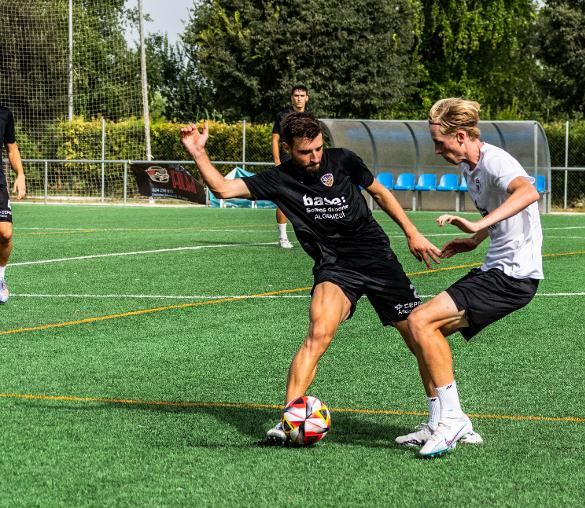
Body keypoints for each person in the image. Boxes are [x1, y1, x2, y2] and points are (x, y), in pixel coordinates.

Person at [181, 111, 443, 444]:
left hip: (377, 259)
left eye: (319, 148)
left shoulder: (344, 161)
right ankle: (289, 419)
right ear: (288, 148)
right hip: (335, 267)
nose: (315, 157)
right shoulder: (278, 179)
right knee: (318, 332)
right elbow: (222, 189)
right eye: (306, 152)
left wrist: (412, 232)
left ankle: (442, 421)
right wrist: (198, 153)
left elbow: (380, 193)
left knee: (418, 338)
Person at [400, 98, 543, 457]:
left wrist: (480, 224)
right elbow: (498, 212)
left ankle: (453, 420)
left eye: (439, 142)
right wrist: (473, 240)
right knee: (422, 334)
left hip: (513, 275)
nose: (436, 150)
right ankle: (439, 421)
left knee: (419, 322)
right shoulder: (471, 168)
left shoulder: (495, 161)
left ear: (461, 136)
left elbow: (528, 191)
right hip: (499, 270)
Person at [271, 85, 310, 248]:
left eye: (302, 95)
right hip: (287, 162)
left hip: (306, 162)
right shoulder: (283, 116)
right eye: (296, 95)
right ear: (291, 98)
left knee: (308, 199)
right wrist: (277, 162)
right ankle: (282, 237)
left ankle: (309, 235)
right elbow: (275, 140)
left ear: (307, 98)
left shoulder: (309, 117)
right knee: (284, 197)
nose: (299, 98)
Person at [0, 105, 27, 304]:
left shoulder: (4, 114)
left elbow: (12, 148)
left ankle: (0, 277)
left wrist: (21, 174)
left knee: (5, 233)